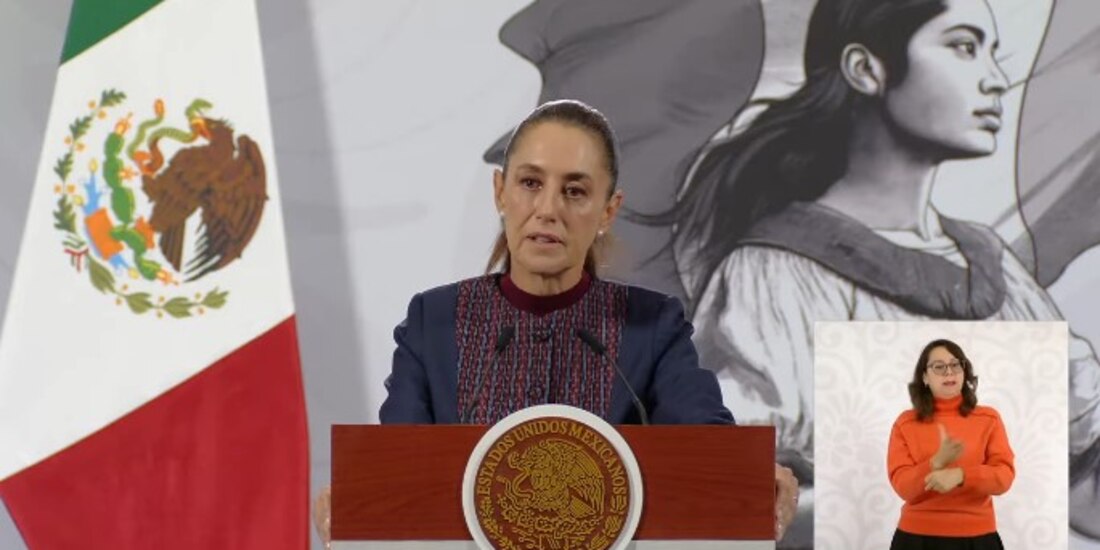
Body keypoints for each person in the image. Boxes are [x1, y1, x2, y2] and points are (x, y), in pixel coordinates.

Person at [637, 0, 1100, 544]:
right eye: (964, 46)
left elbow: (1076, 484)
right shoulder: (776, 275)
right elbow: (714, 503)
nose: (997, 80)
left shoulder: (996, 266)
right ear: (866, 68)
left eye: (994, 54)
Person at [312, 100, 800, 545]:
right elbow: (398, 468)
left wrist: (752, 477)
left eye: (574, 191)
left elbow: (707, 448)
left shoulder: (650, 326)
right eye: (530, 183)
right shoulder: (435, 322)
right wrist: (359, 498)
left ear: (608, 210)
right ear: (500, 192)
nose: (548, 210)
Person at [887, 339, 1014, 549]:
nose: (949, 372)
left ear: (965, 373)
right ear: (925, 378)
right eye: (939, 367)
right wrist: (935, 462)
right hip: (916, 539)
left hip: (978, 538)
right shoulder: (905, 423)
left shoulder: (989, 419)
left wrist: (961, 475)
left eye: (955, 365)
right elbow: (903, 488)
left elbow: (1003, 478)